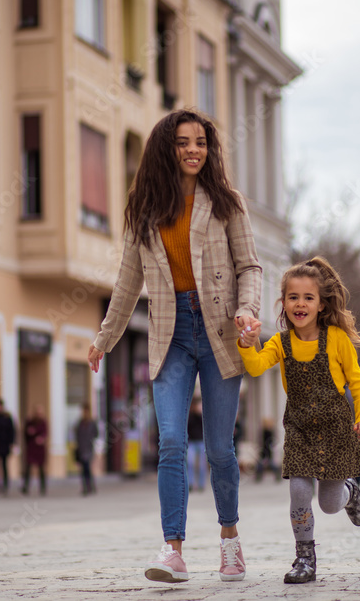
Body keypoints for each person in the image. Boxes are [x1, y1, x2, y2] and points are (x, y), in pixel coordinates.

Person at [87, 108, 261, 584]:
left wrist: (248, 309)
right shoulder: (145, 211)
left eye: (201, 141)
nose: (193, 150)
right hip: (171, 334)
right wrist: (106, 337)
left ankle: (230, 543)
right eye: (183, 142)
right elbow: (127, 283)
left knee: (221, 450)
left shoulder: (227, 202)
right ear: (167, 148)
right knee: (170, 444)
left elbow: (250, 267)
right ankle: (173, 551)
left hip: (221, 330)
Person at [237, 256, 360, 584]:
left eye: (308, 298)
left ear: (320, 304)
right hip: (299, 429)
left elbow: (358, 383)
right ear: (283, 302)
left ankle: (348, 491)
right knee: (299, 492)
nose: (300, 304)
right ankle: (304, 558)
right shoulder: (280, 342)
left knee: (329, 504)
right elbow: (256, 367)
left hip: (336, 430)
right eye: (293, 297)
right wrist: (246, 344)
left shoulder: (338, 340)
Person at [22, 404, 49, 496]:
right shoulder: (30, 422)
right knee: (28, 468)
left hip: (39, 449)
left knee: (41, 469)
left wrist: (41, 438)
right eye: (37, 412)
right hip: (31, 448)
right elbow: (25, 433)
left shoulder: (43, 422)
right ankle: (26, 486)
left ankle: (42, 487)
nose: (39, 414)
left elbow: (45, 433)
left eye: (40, 412)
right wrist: (30, 432)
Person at [75, 405, 99, 495]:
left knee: (87, 467)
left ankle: (89, 486)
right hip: (81, 448)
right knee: (84, 469)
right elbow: (77, 435)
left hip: (89, 448)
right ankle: (86, 486)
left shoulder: (92, 423)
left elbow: (96, 434)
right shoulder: (80, 423)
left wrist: (91, 439)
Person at [186, 400, 208, 491]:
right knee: (190, 463)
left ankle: (201, 484)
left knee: (202, 465)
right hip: (191, 442)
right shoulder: (190, 416)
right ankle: (190, 483)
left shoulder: (203, 417)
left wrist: (200, 415)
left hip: (201, 442)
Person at [254, 418, 282, 483]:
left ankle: (259, 476)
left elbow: (270, 441)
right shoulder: (265, 432)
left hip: (266, 450)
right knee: (262, 464)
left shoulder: (268, 432)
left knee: (266, 464)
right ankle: (277, 475)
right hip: (265, 450)